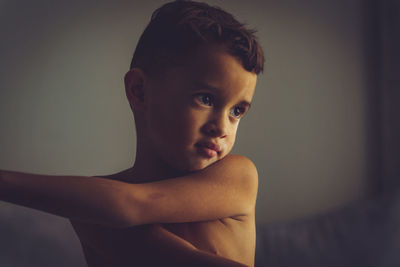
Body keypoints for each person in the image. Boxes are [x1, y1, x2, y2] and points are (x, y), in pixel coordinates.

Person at [0, 0, 264, 266]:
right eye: (206, 99)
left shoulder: (237, 176)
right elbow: (123, 208)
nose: (221, 128)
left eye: (237, 111)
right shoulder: (90, 208)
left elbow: (129, 205)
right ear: (139, 90)